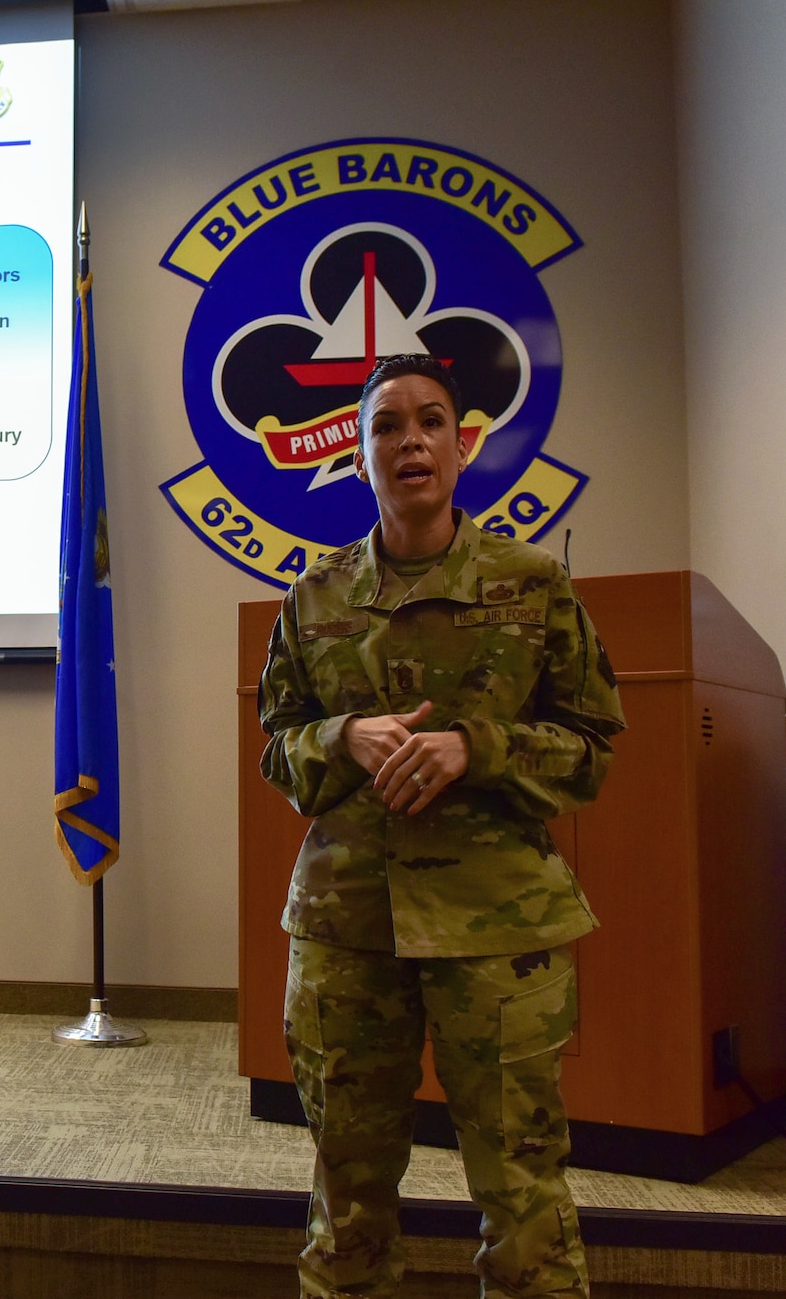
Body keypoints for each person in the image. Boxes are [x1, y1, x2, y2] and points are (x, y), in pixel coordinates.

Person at [258, 352, 625, 1298]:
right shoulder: (314, 597)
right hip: (347, 928)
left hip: (498, 933)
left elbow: (592, 749)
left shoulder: (533, 584)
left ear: (462, 448)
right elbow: (278, 750)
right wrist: (340, 735)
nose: (409, 440)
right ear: (359, 456)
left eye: (430, 421)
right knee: (347, 1195)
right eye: (386, 425)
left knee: (522, 1194)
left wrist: (479, 748)